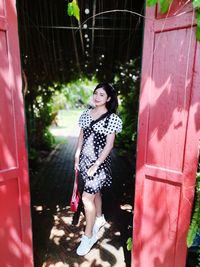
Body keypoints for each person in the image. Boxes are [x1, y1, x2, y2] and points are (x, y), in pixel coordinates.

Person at [74, 82, 122, 256]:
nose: (97, 97)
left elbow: (109, 145)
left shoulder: (112, 118)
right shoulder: (86, 114)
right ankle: (99, 218)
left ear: (108, 98)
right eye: (95, 93)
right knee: (96, 193)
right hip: (85, 161)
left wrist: (96, 165)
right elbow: (81, 136)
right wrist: (77, 155)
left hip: (99, 164)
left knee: (87, 198)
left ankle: (88, 237)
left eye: (101, 94)